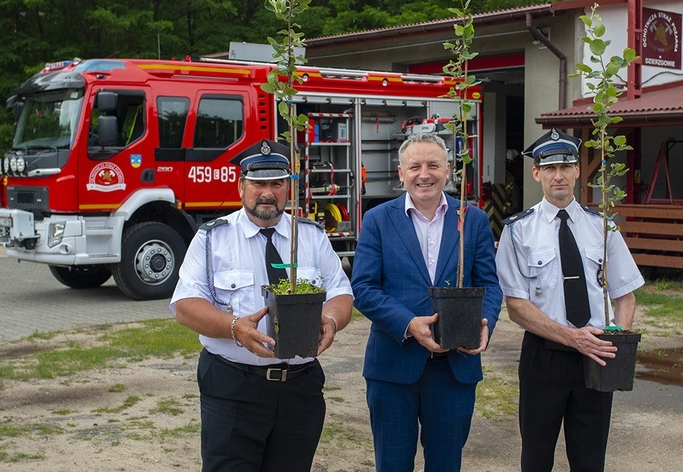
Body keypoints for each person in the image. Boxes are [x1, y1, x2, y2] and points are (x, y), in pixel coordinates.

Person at [170, 138, 353, 472]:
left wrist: (331, 320)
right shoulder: (213, 238)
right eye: (258, 183)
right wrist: (233, 328)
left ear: (288, 187)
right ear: (241, 186)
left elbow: (341, 294)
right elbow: (185, 304)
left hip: (300, 389)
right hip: (233, 388)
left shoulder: (310, 236)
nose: (267, 192)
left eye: (277, 183)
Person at [350, 133, 503, 471]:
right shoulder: (378, 219)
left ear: (448, 170)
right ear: (400, 173)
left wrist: (485, 324)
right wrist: (408, 323)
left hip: (455, 368)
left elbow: (489, 284)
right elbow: (362, 286)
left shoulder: (472, 219)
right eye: (415, 166)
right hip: (393, 365)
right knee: (392, 464)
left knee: (446, 464)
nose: (425, 174)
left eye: (433, 165)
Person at [495, 128, 645, 471]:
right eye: (549, 168)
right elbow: (516, 306)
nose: (558, 175)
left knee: (590, 460)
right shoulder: (518, 230)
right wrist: (570, 337)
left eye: (565, 166)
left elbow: (626, 295)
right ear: (537, 173)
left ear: (578, 170)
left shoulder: (604, 227)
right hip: (543, 357)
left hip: (595, 357)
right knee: (536, 457)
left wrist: (616, 345)